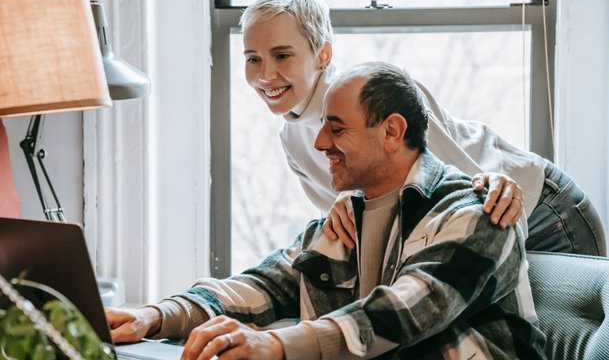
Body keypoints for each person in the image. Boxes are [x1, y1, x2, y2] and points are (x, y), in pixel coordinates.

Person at [107, 62, 546, 359]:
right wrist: (156, 316)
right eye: (322, 127)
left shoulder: (477, 212)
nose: (320, 144)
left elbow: (402, 312)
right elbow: (264, 284)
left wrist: (273, 345)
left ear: (393, 131)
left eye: (337, 128)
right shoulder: (344, 218)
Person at [241, 0, 606, 255]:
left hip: (542, 211)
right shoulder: (292, 138)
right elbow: (356, 229)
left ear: (323, 54)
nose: (265, 75)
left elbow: (464, 187)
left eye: (282, 55)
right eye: (253, 59)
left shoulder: (380, 94)